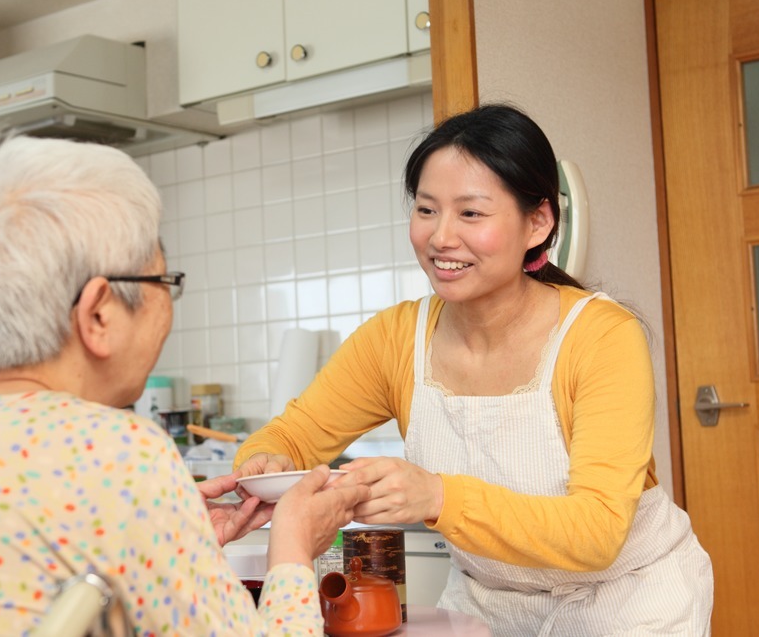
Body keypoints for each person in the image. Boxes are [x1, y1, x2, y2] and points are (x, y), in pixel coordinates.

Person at [0, 133, 367, 636]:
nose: (169, 301)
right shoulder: (117, 455)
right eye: (164, 279)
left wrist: (169, 542)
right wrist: (291, 552)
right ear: (98, 314)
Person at [235, 104, 714, 635]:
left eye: (471, 213)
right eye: (426, 210)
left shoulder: (601, 336)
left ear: (537, 223)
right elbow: (292, 435)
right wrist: (262, 461)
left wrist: (438, 496)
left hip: (628, 600)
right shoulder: (396, 339)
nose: (441, 237)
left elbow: (598, 531)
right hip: (487, 604)